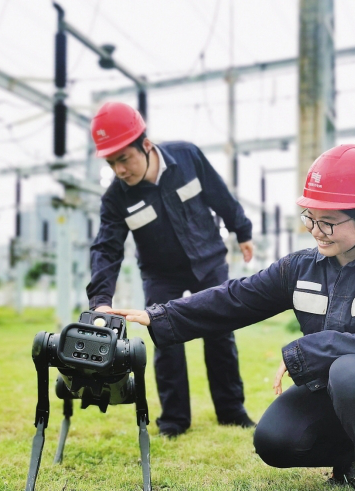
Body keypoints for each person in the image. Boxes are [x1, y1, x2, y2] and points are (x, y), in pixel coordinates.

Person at [110, 144, 355, 491]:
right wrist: (160, 315)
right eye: (309, 218)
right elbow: (235, 299)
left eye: (328, 222)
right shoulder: (301, 268)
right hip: (339, 394)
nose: (316, 231)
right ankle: (347, 458)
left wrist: (303, 351)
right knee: (275, 440)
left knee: (349, 370)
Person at [86, 101, 256, 438]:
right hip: (160, 274)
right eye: (111, 162)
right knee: (165, 338)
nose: (119, 169)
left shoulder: (187, 157)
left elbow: (220, 194)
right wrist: (100, 300)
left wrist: (243, 231)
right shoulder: (116, 199)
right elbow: (107, 248)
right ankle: (175, 420)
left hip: (208, 262)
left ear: (146, 146)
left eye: (124, 158)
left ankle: (231, 411)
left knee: (220, 335)